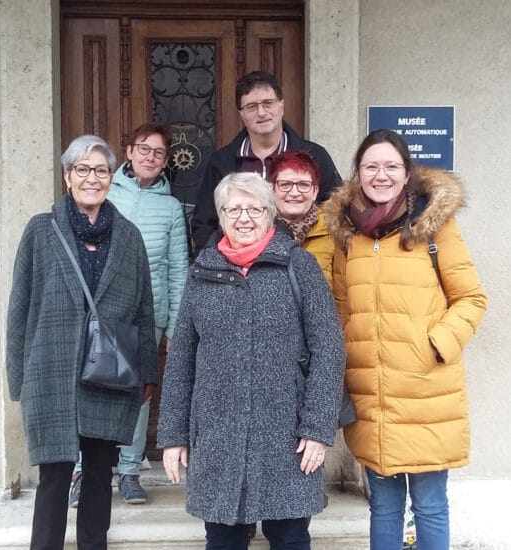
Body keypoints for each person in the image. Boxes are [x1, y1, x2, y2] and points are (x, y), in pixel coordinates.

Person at [157, 172, 346, 549]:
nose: (244, 218)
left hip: (286, 434)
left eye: (254, 209)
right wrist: (174, 436)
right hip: (216, 435)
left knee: (290, 537)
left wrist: (318, 429)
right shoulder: (203, 272)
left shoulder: (299, 266)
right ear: (221, 216)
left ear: (270, 213)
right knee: (223, 539)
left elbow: (329, 349)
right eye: (233, 209)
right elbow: (181, 360)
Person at [322, 128, 488, 550]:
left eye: (391, 166)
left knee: (430, 504)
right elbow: (343, 305)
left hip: (426, 392)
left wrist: (435, 346)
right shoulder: (347, 234)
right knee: (384, 506)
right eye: (371, 166)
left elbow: (471, 298)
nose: (381, 175)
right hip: (372, 393)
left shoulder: (434, 224)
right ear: (357, 174)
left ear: (407, 171)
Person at [6, 135, 158, 550]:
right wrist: (17, 376)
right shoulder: (41, 230)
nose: (92, 178)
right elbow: (19, 306)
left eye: (101, 170)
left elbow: (145, 309)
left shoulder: (128, 236)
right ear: (67, 177)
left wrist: (146, 374)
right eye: (82, 169)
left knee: (98, 473)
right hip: (49, 368)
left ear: (112, 177)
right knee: (54, 475)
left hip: (107, 373)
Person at [69, 123, 189, 507]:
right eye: (143, 148)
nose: (150, 156)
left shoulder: (171, 208)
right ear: (129, 151)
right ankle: (83, 470)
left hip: (147, 316)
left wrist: (174, 324)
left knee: (137, 396)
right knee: (87, 388)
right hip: (99, 311)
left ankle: (131, 470)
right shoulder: (106, 193)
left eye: (158, 152)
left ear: (166, 160)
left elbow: (177, 267)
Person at [190, 70, 342, 256]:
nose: (261, 112)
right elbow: (204, 223)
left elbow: (338, 212)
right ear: (241, 113)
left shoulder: (313, 155)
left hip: (300, 264)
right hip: (236, 272)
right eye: (251, 106)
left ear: (281, 106)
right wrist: (211, 264)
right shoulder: (222, 162)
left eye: (268, 103)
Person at [269, 149, 334, 289]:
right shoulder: (258, 232)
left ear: (315, 191)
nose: (294, 193)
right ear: (272, 190)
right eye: (285, 185)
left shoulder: (334, 231)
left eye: (303, 185)